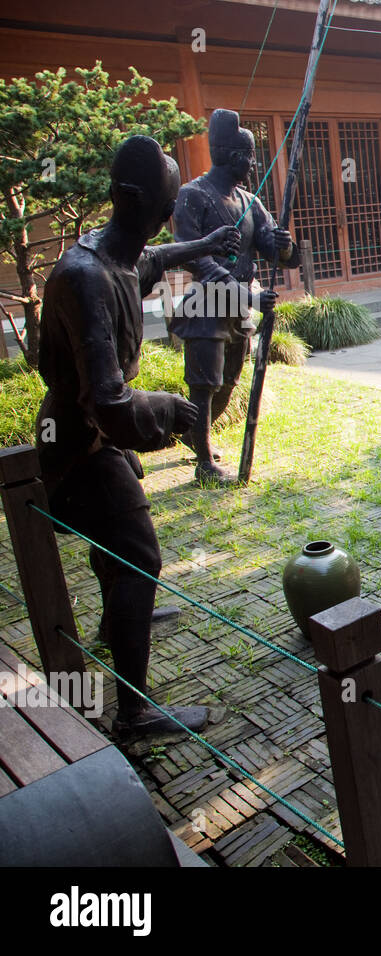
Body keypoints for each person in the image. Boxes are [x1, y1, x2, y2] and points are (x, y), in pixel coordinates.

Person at [36, 135, 240, 737]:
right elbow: (111, 403)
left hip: (95, 435)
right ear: (128, 199)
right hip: (76, 442)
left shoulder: (119, 255)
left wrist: (204, 244)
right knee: (139, 556)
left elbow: (151, 261)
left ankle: (115, 621)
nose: (165, 218)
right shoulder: (85, 277)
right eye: (161, 205)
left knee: (119, 537)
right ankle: (132, 709)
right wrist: (172, 409)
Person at [171, 108, 299, 486]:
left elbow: (275, 250)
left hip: (240, 306)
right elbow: (194, 256)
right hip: (208, 304)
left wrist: (283, 244)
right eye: (248, 156)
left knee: (228, 380)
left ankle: (198, 440)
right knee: (204, 382)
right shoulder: (192, 196)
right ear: (230, 156)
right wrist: (244, 294)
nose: (253, 163)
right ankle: (203, 461)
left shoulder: (249, 200)